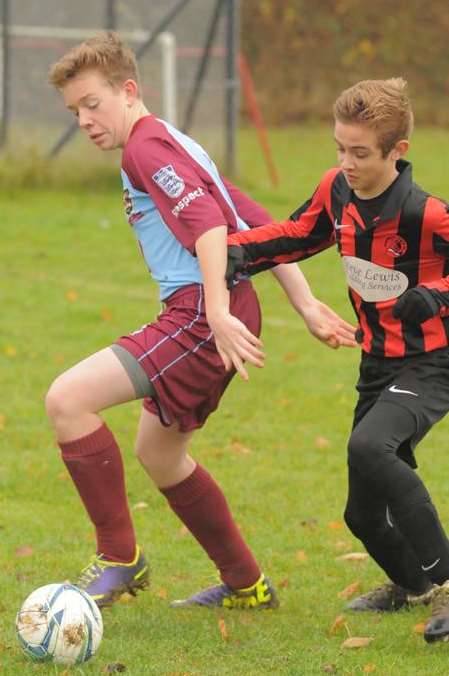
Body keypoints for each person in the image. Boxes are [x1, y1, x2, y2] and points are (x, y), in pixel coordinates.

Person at [47, 31, 355, 611]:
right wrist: (305, 302)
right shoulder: (170, 141)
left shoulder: (145, 148)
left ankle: (119, 558)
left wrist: (214, 310)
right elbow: (251, 220)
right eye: (74, 111)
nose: (85, 119)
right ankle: (246, 585)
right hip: (211, 309)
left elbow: (214, 227)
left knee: (67, 401)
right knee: (159, 454)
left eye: (93, 103)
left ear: (129, 90)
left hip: (202, 315)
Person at [227, 77, 449, 642]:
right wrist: (235, 253)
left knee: (369, 446)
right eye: (339, 148)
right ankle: (412, 586)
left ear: (398, 152)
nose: (346, 162)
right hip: (375, 362)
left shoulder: (428, 214)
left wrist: (436, 294)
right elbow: (299, 234)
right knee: (362, 515)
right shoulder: (338, 190)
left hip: (431, 362)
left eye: (360, 152)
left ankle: (446, 582)